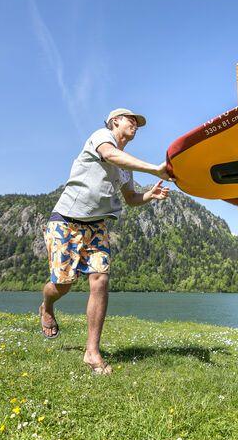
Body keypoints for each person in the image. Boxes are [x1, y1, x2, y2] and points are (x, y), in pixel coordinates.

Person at [40, 108, 171, 374]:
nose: (135, 124)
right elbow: (111, 155)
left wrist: (150, 195)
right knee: (63, 284)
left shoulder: (124, 169)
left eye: (138, 122)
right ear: (115, 122)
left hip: (97, 226)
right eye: (130, 119)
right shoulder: (101, 137)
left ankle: (92, 351)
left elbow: (131, 199)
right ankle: (47, 305)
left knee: (100, 280)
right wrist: (156, 170)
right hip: (66, 220)